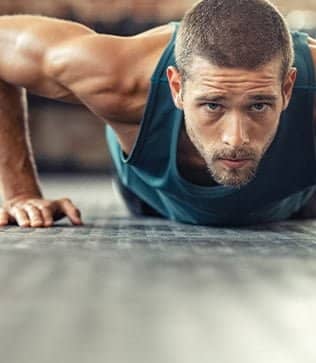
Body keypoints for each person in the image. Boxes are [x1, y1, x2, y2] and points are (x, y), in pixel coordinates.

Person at [0, 0, 315, 228]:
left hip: (295, 201)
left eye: (258, 105)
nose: (236, 137)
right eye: (213, 105)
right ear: (176, 86)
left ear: (287, 88)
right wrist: (21, 194)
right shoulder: (119, 76)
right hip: (154, 198)